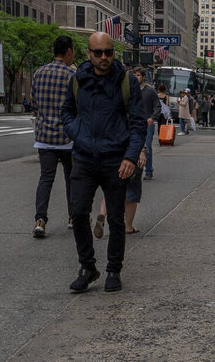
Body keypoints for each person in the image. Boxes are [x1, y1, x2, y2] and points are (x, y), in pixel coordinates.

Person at [61, 32, 146, 293]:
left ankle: (113, 269)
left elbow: (138, 123)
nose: (104, 57)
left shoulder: (127, 81)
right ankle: (88, 267)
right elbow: (67, 112)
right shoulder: (77, 80)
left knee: (116, 219)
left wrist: (130, 156)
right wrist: (78, 133)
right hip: (84, 158)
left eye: (108, 52)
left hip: (115, 160)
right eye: (98, 52)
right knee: (77, 213)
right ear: (88, 53)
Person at [30, 35, 76, 237]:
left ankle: (40, 220)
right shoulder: (72, 75)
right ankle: (73, 217)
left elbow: (34, 103)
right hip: (67, 138)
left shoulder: (39, 73)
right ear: (68, 52)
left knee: (45, 179)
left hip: (44, 137)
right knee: (71, 179)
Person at [93, 144, 147, 239]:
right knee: (132, 191)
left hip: (112, 154)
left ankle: (102, 214)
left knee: (110, 189)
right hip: (131, 154)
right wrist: (142, 151)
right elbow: (138, 132)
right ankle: (128, 226)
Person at [132, 67, 161, 181]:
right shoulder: (130, 90)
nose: (136, 77)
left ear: (143, 77)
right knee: (133, 145)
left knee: (147, 146)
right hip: (133, 123)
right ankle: (134, 168)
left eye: (138, 75)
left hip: (146, 123)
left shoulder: (150, 90)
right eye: (134, 75)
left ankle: (148, 170)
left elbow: (157, 106)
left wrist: (152, 118)